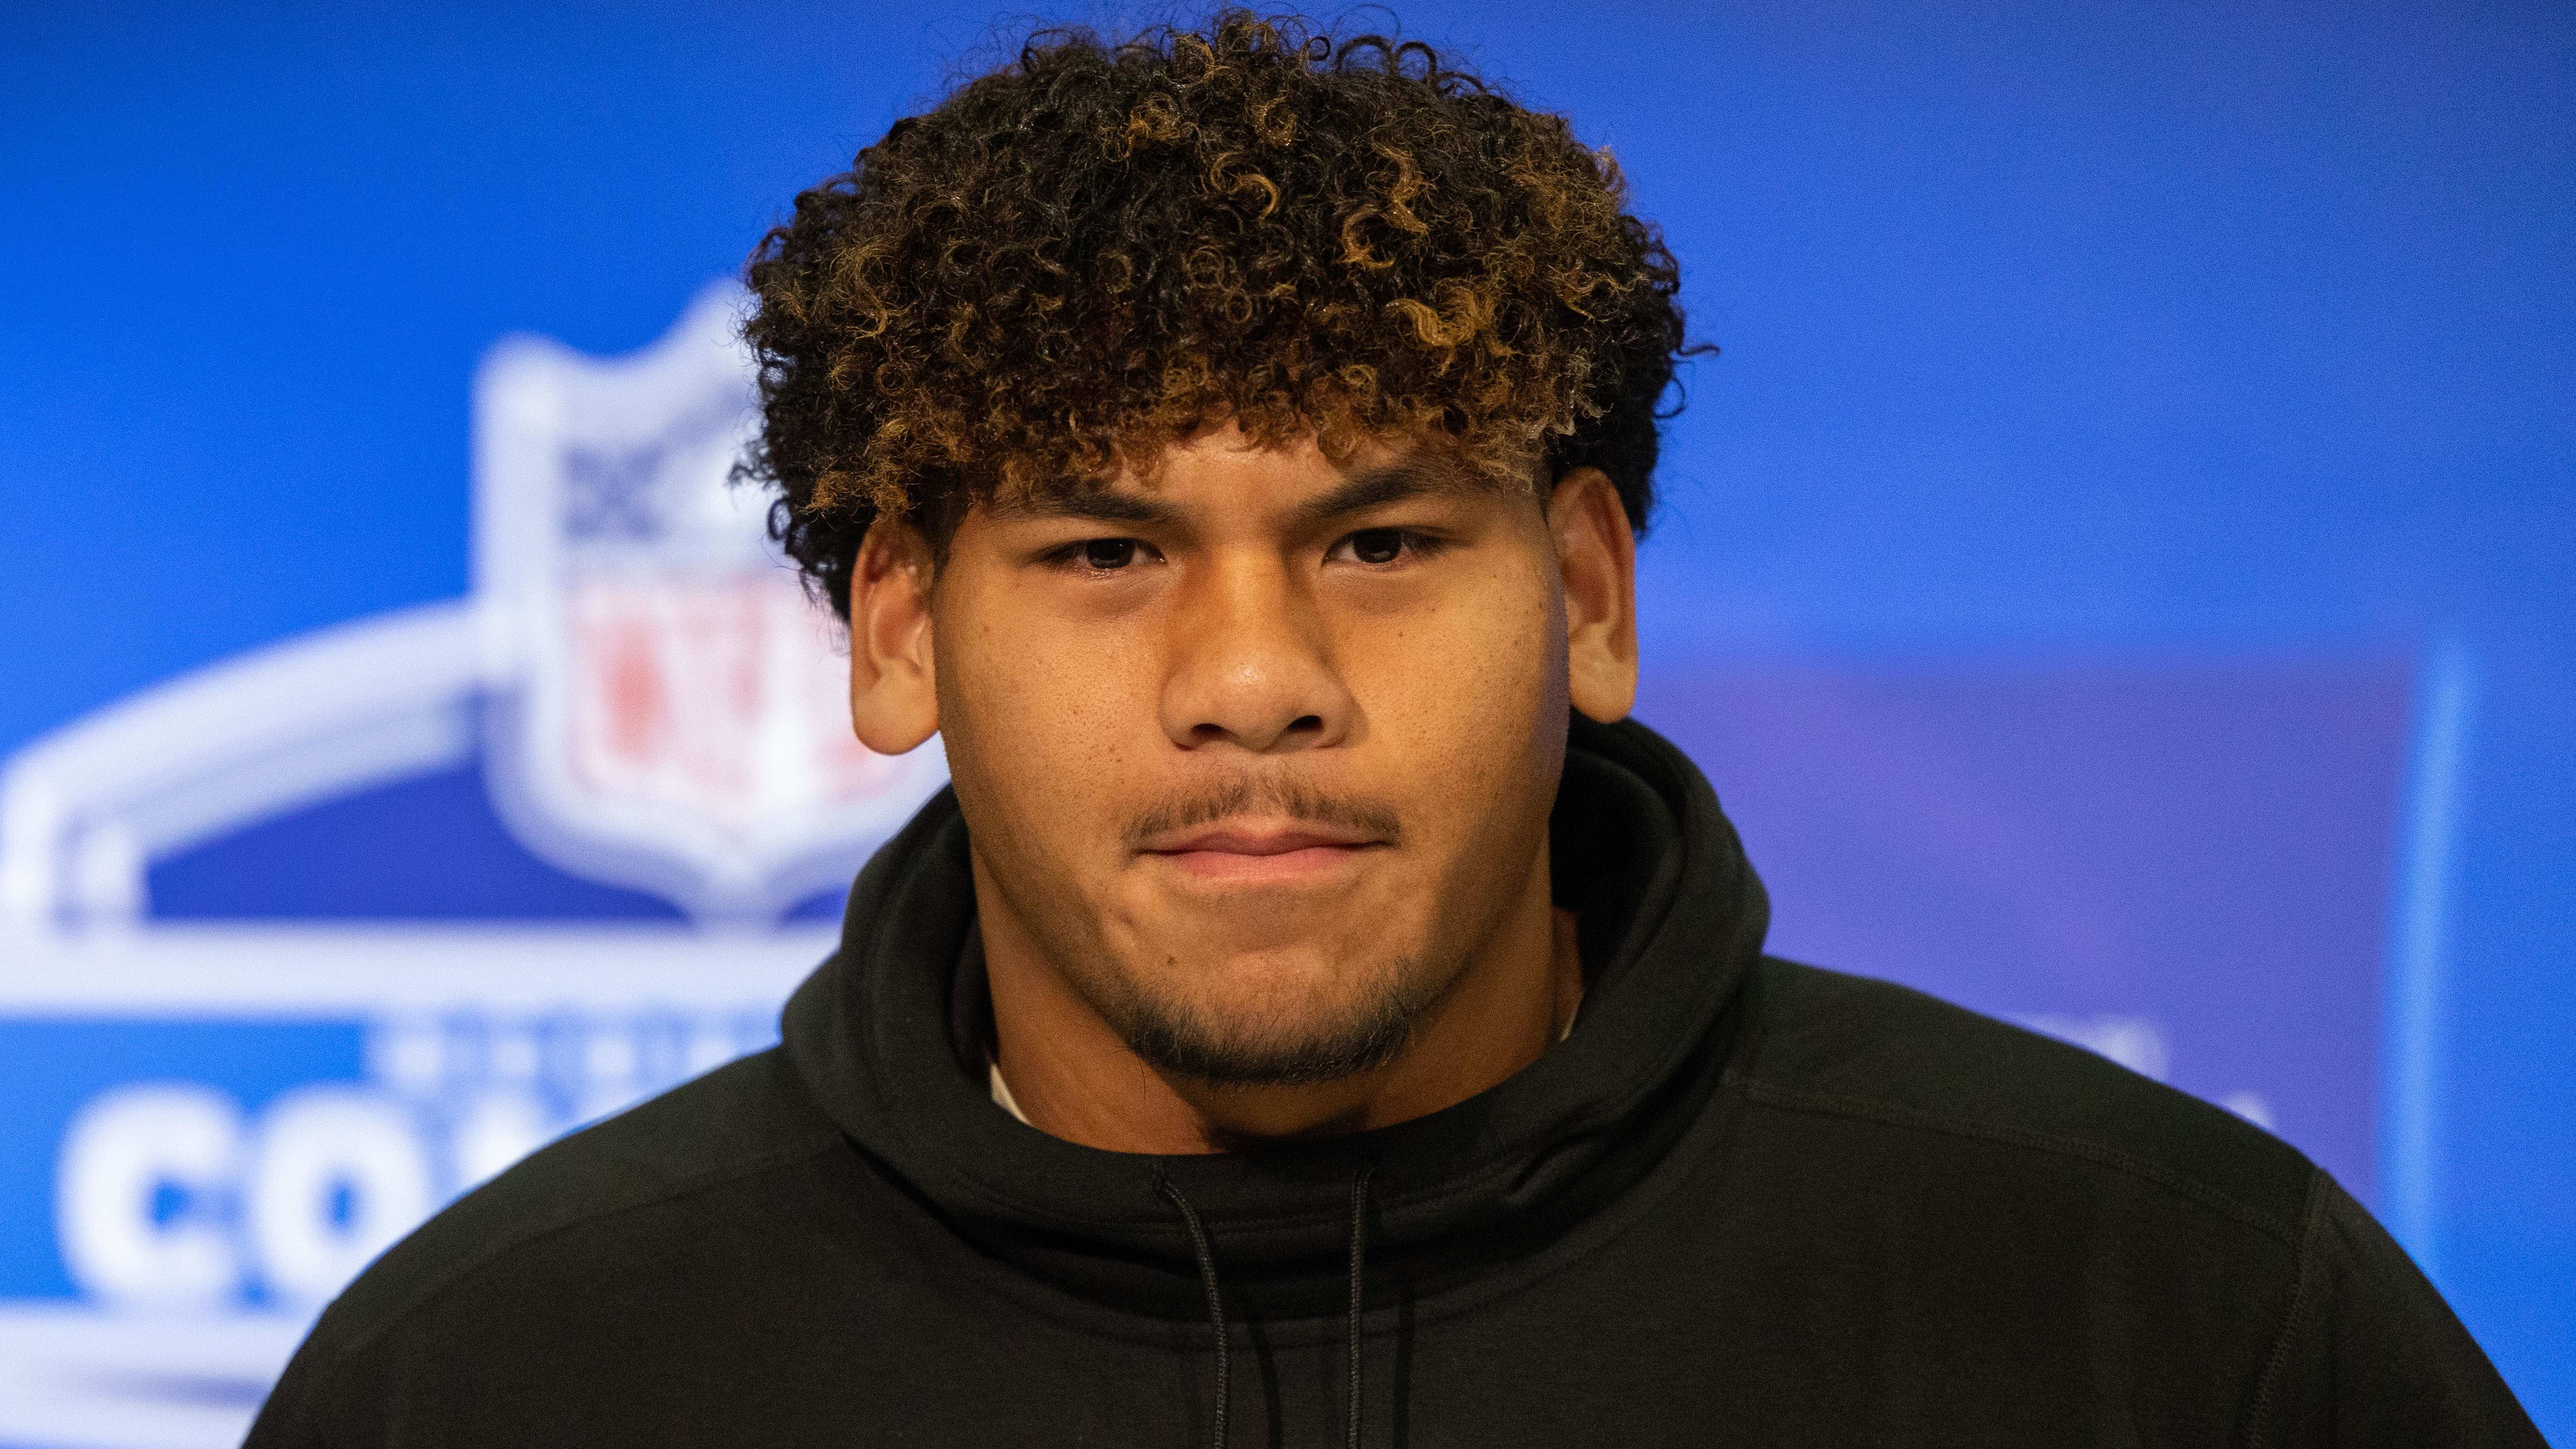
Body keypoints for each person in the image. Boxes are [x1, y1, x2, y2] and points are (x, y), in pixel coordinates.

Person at [245, 13, 2543, 1446]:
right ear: (898, 633)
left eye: (1376, 541)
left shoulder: (2164, 1306)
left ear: (1592, 594)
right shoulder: (505, 1376)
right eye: (1105, 551)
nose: (1254, 673)